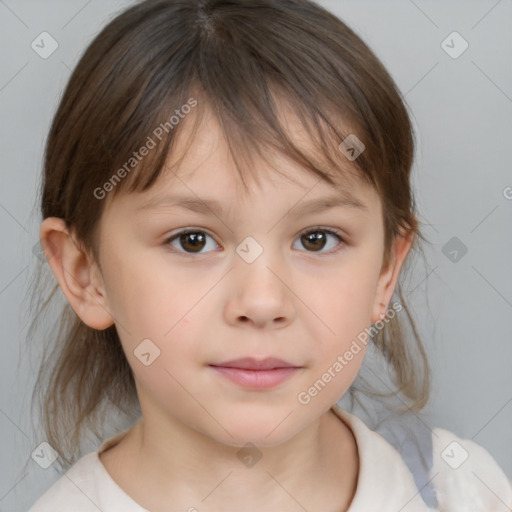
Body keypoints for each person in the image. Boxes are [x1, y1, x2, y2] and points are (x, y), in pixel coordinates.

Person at [26, 0, 511, 510]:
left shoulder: (462, 490)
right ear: (86, 274)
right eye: (192, 240)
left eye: (317, 239)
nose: (261, 303)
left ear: (385, 272)